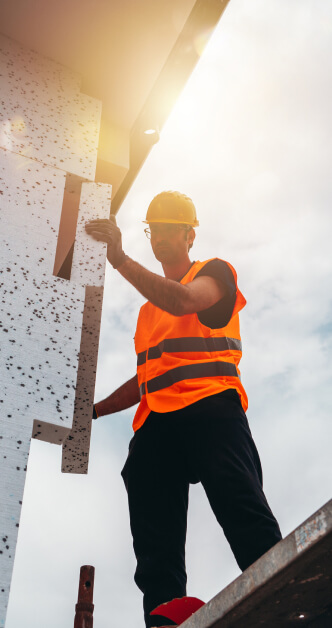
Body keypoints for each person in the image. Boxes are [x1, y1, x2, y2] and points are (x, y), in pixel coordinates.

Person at [85, 191, 282, 628]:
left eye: (171, 227)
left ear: (190, 234)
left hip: (211, 410)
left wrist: (118, 258)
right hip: (157, 421)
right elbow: (147, 378)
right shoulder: (145, 312)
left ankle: (278, 586)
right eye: (154, 228)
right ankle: (164, 614)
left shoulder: (214, 273)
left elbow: (184, 301)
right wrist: (92, 412)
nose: (161, 236)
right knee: (153, 531)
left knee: (240, 505)